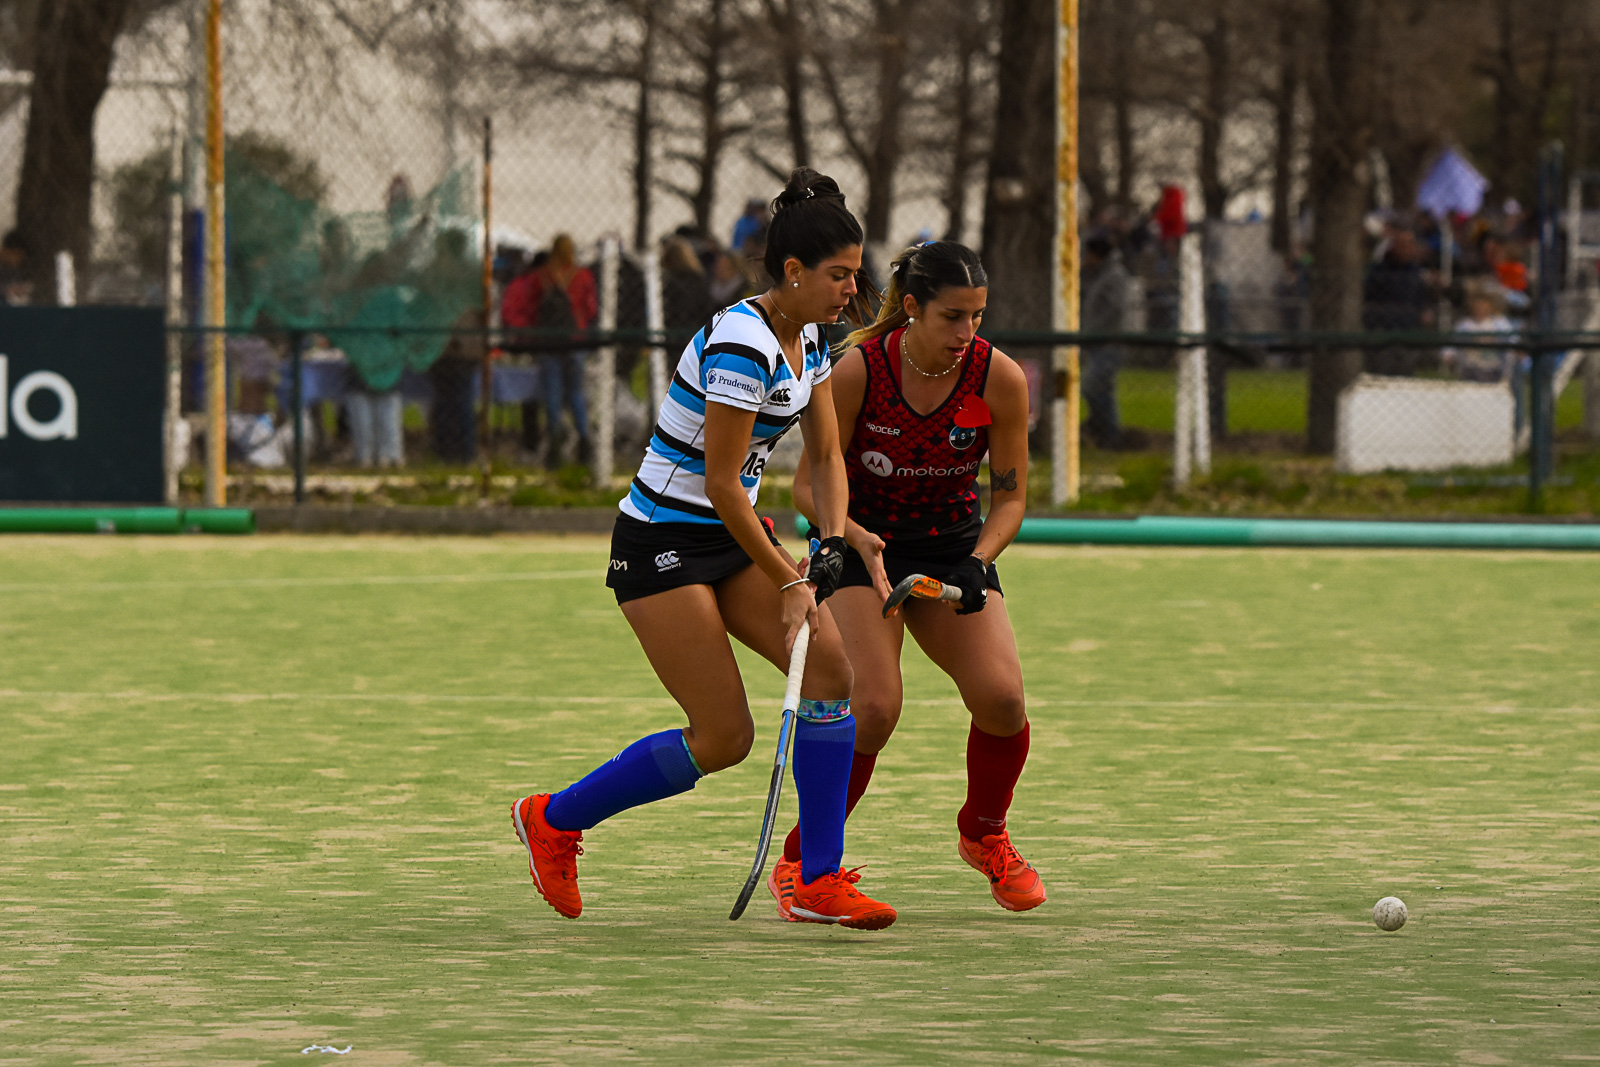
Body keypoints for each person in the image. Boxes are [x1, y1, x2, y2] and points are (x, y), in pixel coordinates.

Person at [511, 168, 897, 929]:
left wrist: (828, 543)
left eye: (855, 273)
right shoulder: (742, 344)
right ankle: (553, 820)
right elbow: (721, 483)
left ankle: (816, 880)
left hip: (730, 535)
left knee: (831, 670)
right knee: (725, 737)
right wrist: (789, 580)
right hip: (661, 541)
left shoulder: (811, 338)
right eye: (839, 275)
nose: (853, 289)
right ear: (794, 271)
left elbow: (827, 455)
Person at [779, 239, 1044, 919]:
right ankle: (802, 864)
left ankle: (983, 834)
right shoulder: (858, 371)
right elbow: (806, 485)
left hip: (952, 550)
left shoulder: (998, 377)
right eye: (952, 316)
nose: (966, 332)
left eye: (977, 316)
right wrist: (850, 534)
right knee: (873, 707)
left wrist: (978, 561)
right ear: (913, 306)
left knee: (1003, 700)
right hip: (860, 547)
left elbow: (1010, 496)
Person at [501, 234, 598, 467]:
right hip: (575, 340)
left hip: (549, 341)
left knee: (552, 393)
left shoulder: (541, 276)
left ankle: (554, 442)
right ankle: (584, 438)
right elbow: (591, 309)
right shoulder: (583, 276)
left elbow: (532, 308)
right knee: (575, 392)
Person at [1081, 233, 1131, 449]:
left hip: (1110, 342)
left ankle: (1109, 432)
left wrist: (1094, 330)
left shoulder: (1115, 276)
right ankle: (1103, 432)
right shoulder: (1100, 275)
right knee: (1099, 388)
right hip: (1098, 343)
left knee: (1093, 386)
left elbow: (1114, 309)